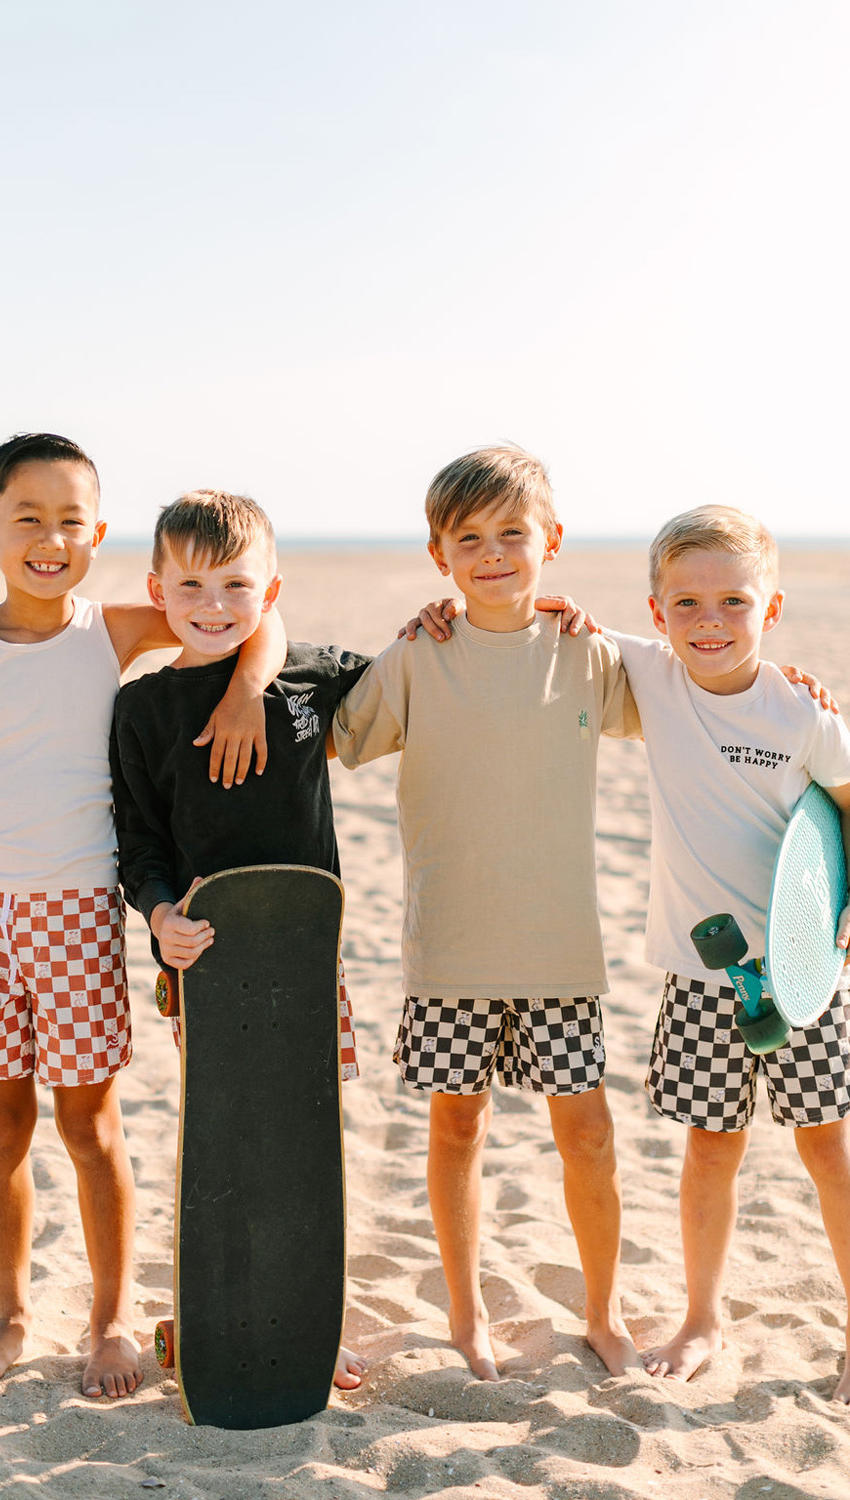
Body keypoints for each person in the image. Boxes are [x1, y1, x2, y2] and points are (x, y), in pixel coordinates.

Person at [0, 434, 284, 1399]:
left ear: (99, 534)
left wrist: (247, 691)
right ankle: (9, 1314)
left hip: (80, 918)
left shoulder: (113, 630)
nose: (50, 538)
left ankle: (111, 1319)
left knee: (92, 1127)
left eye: (71, 521)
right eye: (27, 519)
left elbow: (258, 626)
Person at [330, 444, 643, 1382]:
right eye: (470, 538)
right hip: (452, 949)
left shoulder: (589, 653)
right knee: (456, 1126)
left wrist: (796, 691)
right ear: (441, 556)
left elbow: (698, 684)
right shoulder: (420, 655)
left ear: (551, 539)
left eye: (514, 533)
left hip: (562, 951)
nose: (494, 552)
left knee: (586, 1133)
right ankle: (465, 1315)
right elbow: (330, 732)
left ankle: (603, 1311)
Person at [109, 487, 377, 1391]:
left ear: (270, 590)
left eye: (236, 586)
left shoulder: (308, 676)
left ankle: (310, 1320)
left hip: (308, 959)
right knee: (225, 1144)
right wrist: (158, 917)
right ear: (157, 589)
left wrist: (253, 681)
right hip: (205, 965)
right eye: (190, 587)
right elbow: (138, 841)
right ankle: (215, 1310)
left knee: (307, 1148)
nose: (214, 606)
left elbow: (424, 679)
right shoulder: (143, 709)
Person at [602, 506, 850, 1402]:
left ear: (770, 608)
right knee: (712, 1147)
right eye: (687, 603)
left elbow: (846, 802)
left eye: (734, 601)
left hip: (803, 974)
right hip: (704, 977)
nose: (709, 620)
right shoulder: (651, 677)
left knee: (829, 1149)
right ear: (658, 609)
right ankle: (702, 1317)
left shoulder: (800, 711)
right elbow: (558, 632)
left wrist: (842, 911)